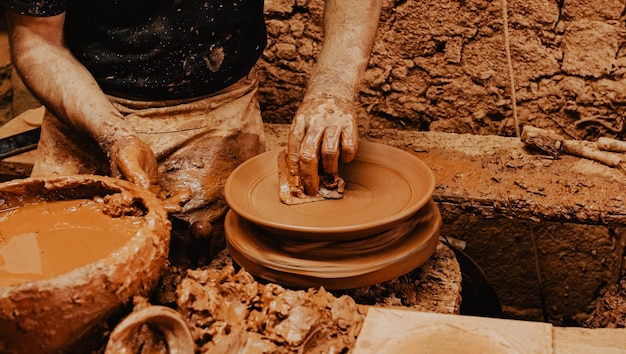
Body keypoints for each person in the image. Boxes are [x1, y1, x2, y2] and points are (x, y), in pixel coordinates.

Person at [0, 1, 382, 245]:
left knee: (221, 258)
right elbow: (37, 38)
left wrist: (331, 90)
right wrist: (111, 134)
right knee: (66, 263)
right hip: (85, 103)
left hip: (219, 105)